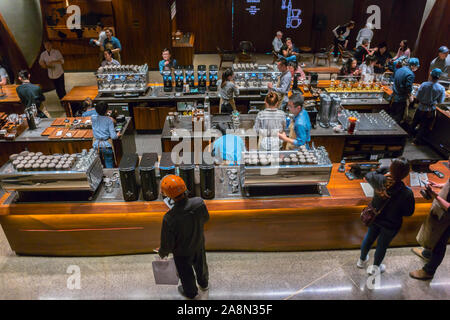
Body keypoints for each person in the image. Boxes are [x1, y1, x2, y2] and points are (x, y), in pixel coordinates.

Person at [357, 158, 415, 275]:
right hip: (391, 224)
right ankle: (374, 269)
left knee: (369, 238)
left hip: (375, 218)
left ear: (391, 169)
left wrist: (382, 171)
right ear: (406, 174)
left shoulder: (379, 180)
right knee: (382, 246)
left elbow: (368, 175)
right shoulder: (407, 193)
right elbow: (409, 213)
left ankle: (361, 261)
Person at [158, 174, 210, 299]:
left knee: (186, 274)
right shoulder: (199, 203)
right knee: (201, 265)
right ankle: (204, 284)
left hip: (182, 253)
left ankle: (191, 293)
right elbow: (206, 218)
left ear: (168, 195)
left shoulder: (169, 218)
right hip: (198, 244)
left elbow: (167, 243)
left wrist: (162, 253)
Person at [409, 177, 450, 280]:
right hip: (440, 212)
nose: (448, 163)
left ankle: (429, 271)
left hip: (447, 218)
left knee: (439, 244)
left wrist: (435, 195)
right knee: (432, 234)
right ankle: (427, 254)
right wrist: (439, 185)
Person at [411, 68, 445, 145]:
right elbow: (440, 101)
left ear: (431, 75)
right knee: (423, 127)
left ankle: (408, 136)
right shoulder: (441, 88)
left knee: (414, 122)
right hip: (430, 110)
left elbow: (418, 97)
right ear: (439, 77)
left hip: (420, 108)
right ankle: (416, 142)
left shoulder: (424, 84)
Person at [390, 58, 420, 124]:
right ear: (413, 66)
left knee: (391, 116)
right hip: (401, 99)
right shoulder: (410, 74)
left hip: (393, 96)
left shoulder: (399, 69)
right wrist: (411, 96)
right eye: (417, 66)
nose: (416, 68)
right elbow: (408, 88)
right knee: (397, 119)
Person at [91, 101, 119, 168]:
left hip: (96, 145)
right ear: (107, 110)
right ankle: (110, 177)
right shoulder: (109, 120)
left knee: (99, 164)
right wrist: (117, 134)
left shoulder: (93, 118)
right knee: (109, 163)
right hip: (106, 146)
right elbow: (113, 136)